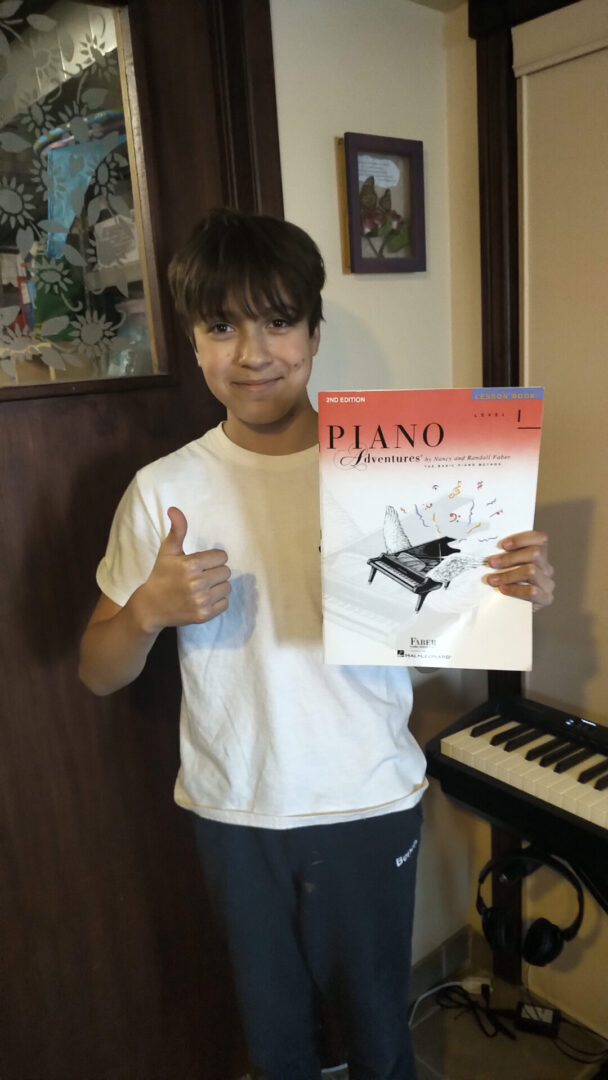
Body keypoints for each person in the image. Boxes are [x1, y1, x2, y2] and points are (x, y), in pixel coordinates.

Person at [78, 209, 555, 1080]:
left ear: (314, 331)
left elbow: (448, 624)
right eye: (222, 325)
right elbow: (97, 671)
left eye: (278, 320)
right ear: (193, 343)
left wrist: (514, 590)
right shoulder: (163, 490)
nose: (253, 351)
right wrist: (146, 609)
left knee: (380, 1035)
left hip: (368, 802)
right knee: (276, 1043)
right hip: (235, 809)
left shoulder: (400, 464)